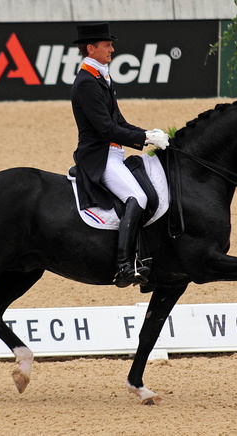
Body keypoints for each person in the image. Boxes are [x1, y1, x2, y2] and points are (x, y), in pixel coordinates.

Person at [71, 22, 170, 288]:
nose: (112, 49)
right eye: (107, 45)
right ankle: (125, 265)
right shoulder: (85, 83)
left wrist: (148, 134)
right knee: (136, 196)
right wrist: (144, 138)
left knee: (147, 193)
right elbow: (105, 129)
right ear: (91, 49)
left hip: (114, 153)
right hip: (99, 158)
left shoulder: (102, 78)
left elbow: (119, 123)